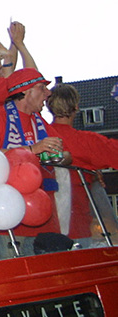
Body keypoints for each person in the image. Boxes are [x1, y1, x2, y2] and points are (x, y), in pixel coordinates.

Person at [0, 68, 63, 257]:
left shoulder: (40, 121)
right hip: (6, 215)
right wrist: (32, 149)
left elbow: (65, 154)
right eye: (42, 88)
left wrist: (59, 155)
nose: (48, 94)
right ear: (26, 91)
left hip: (42, 212)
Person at [47, 83, 118, 247]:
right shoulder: (87, 141)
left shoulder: (40, 135)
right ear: (76, 107)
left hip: (44, 227)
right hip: (78, 226)